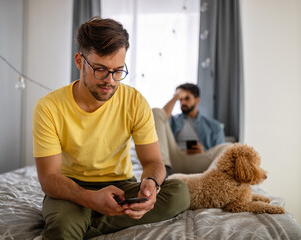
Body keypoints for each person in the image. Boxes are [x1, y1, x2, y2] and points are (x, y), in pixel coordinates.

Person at [32, 17, 190, 240]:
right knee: (62, 230)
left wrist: (151, 184)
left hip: (122, 186)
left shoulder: (135, 101)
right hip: (71, 189)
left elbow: (154, 162)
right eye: (100, 70)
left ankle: (85, 225)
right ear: (79, 61)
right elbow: (49, 178)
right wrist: (88, 197)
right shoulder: (48, 107)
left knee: (179, 193)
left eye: (118, 71)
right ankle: (83, 219)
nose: (110, 81)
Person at [153, 83, 229, 175]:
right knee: (156, 112)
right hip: (176, 159)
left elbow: (221, 156)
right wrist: (175, 97)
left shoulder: (214, 126)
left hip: (200, 161)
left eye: (187, 98)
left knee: (227, 147)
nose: (183, 102)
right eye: (180, 99)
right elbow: (161, 116)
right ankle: (163, 171)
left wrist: (203, 151)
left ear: (197, 100)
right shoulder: (172, 121)